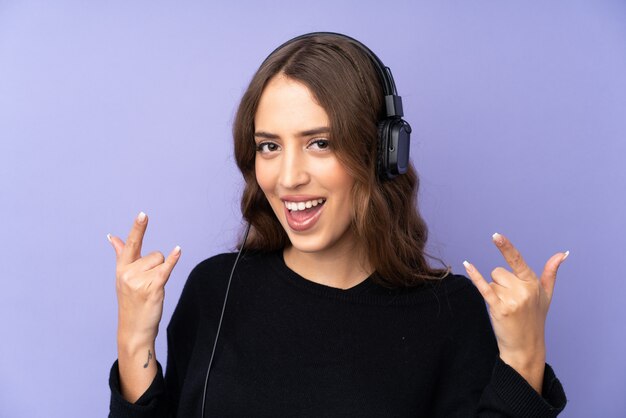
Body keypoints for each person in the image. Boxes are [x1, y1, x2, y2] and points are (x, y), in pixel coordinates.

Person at [107, 33, 567, 417]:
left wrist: (524, 358)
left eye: (320, 142)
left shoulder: (451, 313)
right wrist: (133, 340)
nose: (288, 177)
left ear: (383, 153)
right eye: (269, 146)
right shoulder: (215, 289)